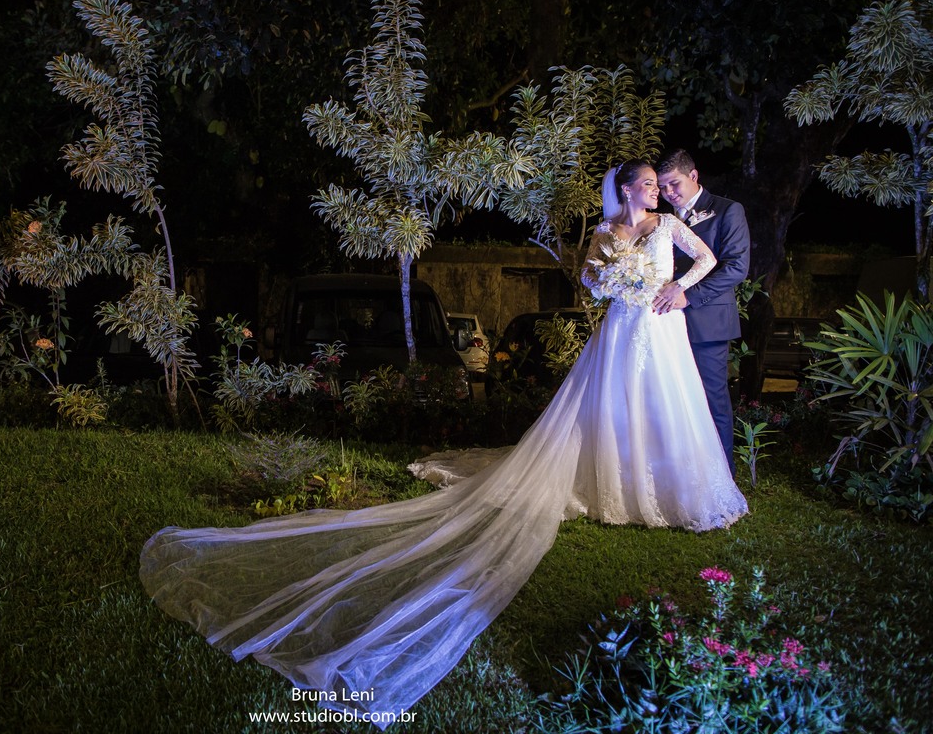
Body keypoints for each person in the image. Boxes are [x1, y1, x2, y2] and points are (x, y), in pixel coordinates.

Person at [139, 161, 748, 729]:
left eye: (654, 183)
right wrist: (608, 280)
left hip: (662, 330)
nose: (651, 190)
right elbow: (590, 282)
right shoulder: (604, 231)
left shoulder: (668, 224)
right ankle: (615, 478)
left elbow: (708, 259)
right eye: (643, 183)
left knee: (668, 413)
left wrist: (681, 291)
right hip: (620, 329)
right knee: (611, 411)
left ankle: (668, 484)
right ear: (624, 190)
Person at [652, 149, 751, 475]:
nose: (669, 193)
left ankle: (724, 474)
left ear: (694, 176)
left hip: (707, 321)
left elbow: (736, 267)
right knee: (672, 399)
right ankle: (682, 472)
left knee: (712, 400)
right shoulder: (660, 221)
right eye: (663, 187)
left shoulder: (727, 211)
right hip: (663, 323)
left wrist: (688, 295)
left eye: (675, 184)